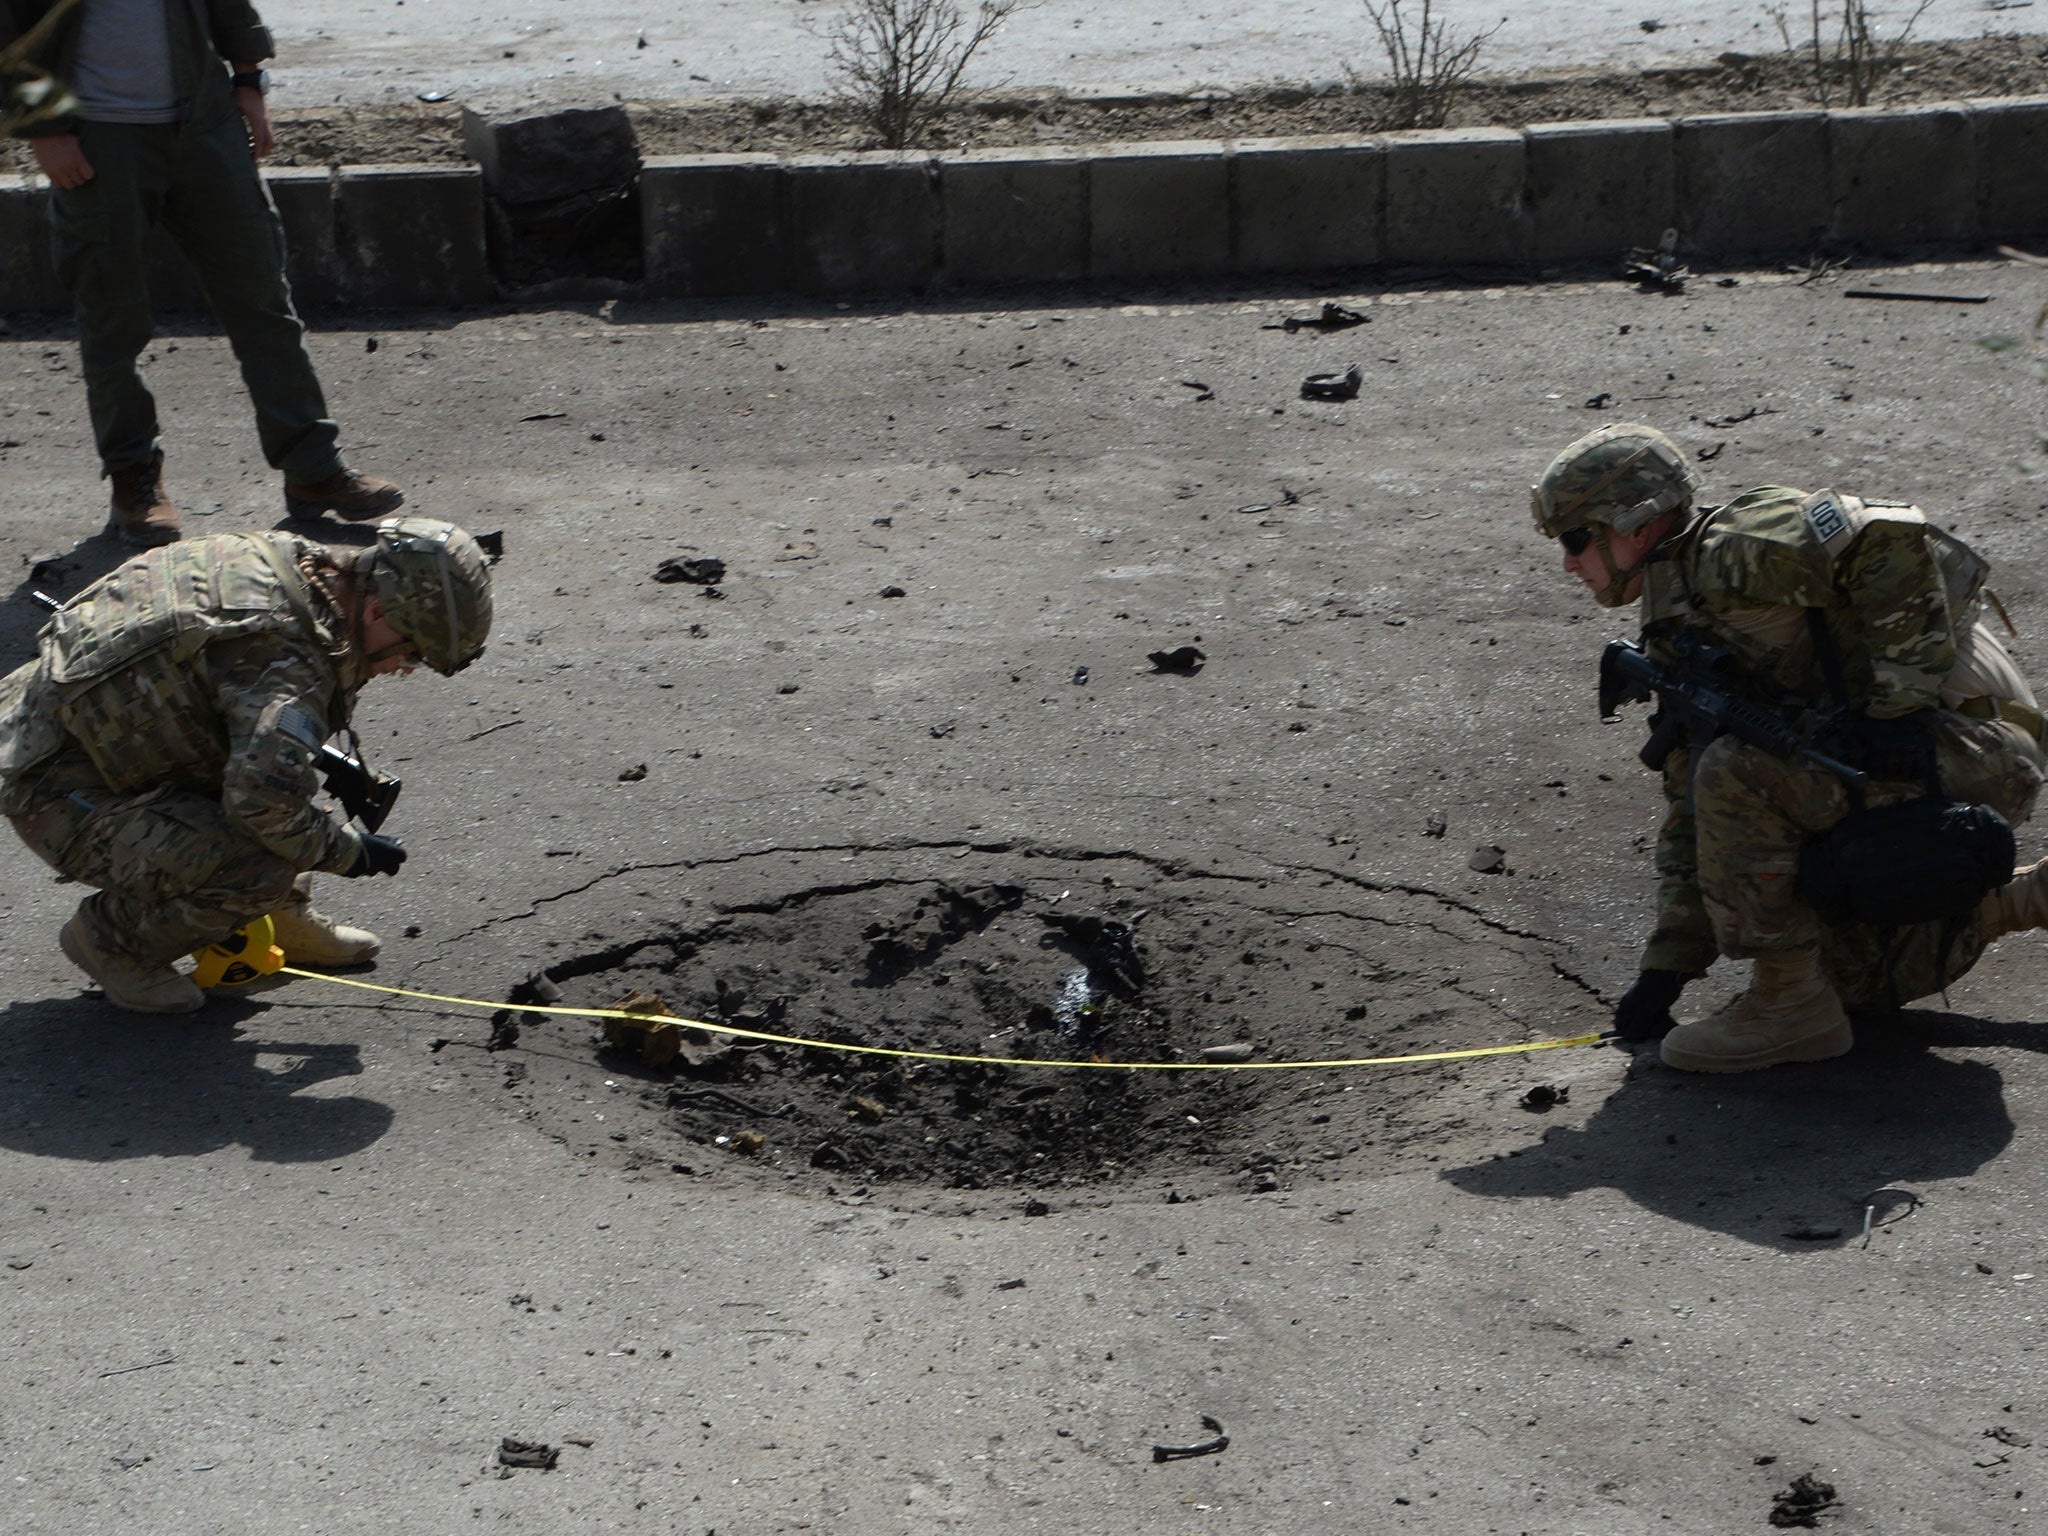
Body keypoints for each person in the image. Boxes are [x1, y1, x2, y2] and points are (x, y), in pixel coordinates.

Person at [1531, 423, 2048, 1073]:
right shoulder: (1675, 615)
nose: (1569, 563)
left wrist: (1899, 710)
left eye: (1578, 539)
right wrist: (1667, 968)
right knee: (1852, 975)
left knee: (1737, 776)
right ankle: (2028, 898)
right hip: (1919, 748)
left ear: (1634, 525)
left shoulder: (1735, 548)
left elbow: (1890, 536)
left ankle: (1789, 1009)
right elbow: (1693, 810)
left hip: (1976, 742)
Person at [0, 516, 493, 1014]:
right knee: (258, 863)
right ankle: (113, 940)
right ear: (376, 610)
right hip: (56, 787)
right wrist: (348, 853)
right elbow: (262, 805)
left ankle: (283, 917)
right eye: (411, 651)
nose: (405, 669)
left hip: (92, 737)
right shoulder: (287, 662)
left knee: (281, 768)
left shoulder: (299, 564)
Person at [1, 0, 403, 546]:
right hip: (98, 137)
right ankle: (133, 479)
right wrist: (43, 129)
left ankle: (313, 468)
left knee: (262, 300)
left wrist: (249, 82)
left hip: (204, 124)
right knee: (111, 319)